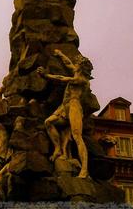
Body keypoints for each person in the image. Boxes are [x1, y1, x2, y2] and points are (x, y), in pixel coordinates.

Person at [37, 49, 92, 178]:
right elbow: (68, 64)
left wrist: (46, 75)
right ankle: (58, 149)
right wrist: (61, 54)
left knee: (77, 137)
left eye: (77, 63)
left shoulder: (82, 80)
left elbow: (62, 78)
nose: (75, 64)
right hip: (64, 106)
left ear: (81, 67)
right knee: (48, 122)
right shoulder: (77, 73)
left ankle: (84, 169)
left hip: (74, 106)